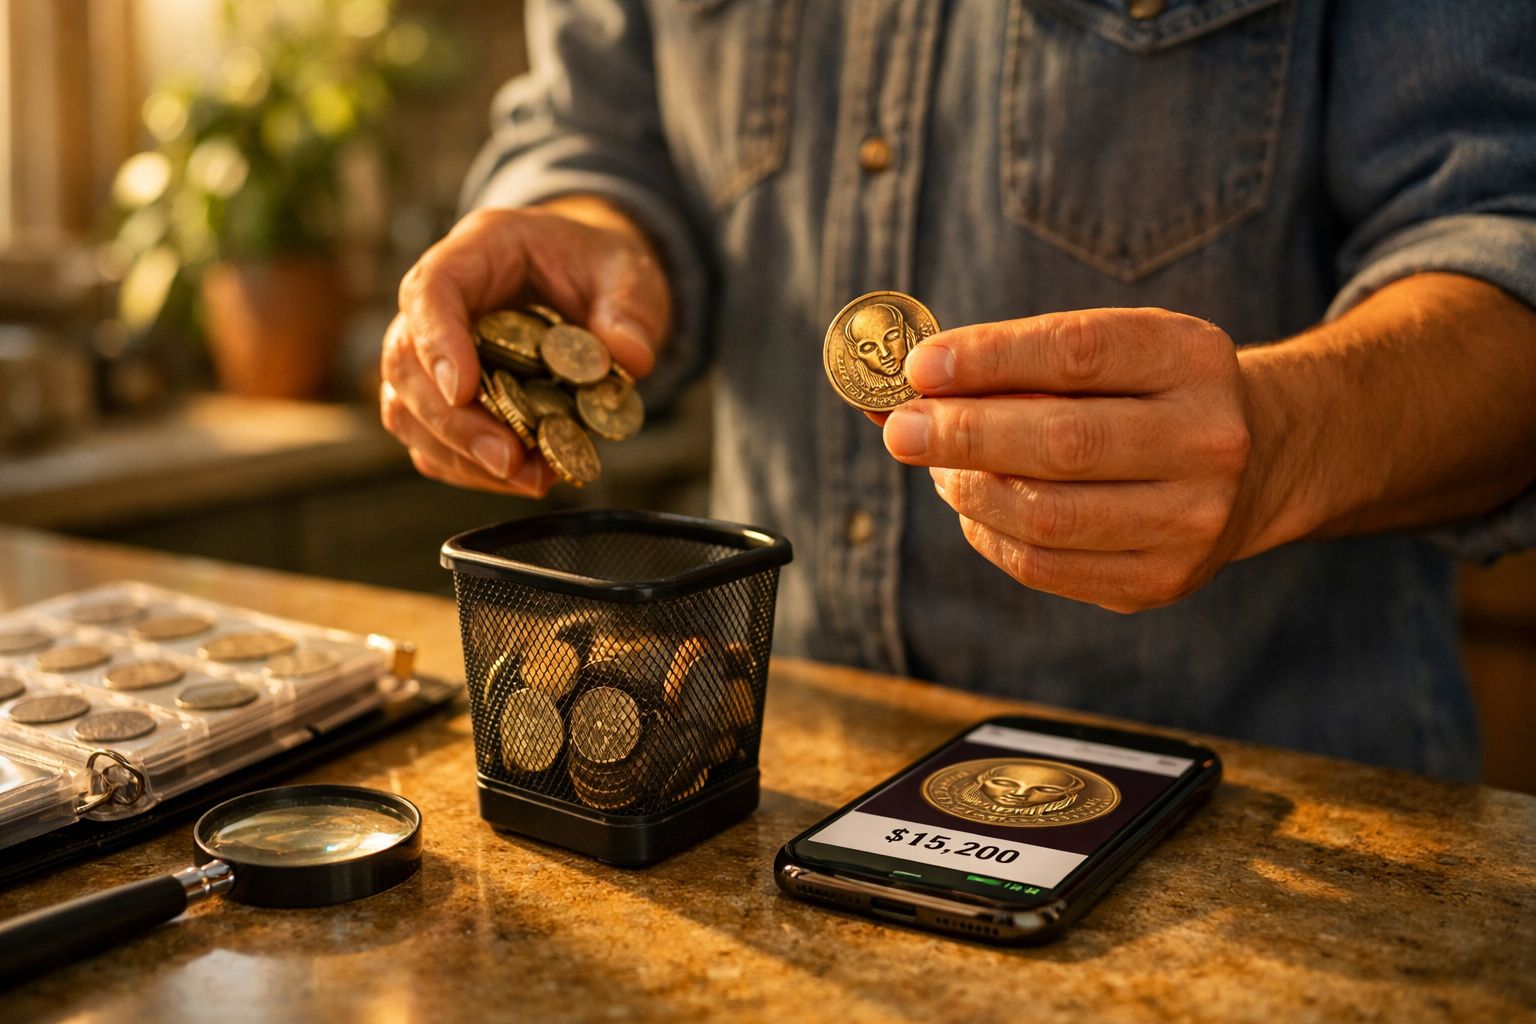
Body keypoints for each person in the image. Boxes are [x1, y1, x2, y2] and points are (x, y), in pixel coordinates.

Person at [379, 1, 1536, 780]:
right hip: (775, 769)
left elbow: (1503, 229)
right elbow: (598, 128)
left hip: (1268, 800)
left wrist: (1283, 439)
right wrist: (582, 238)